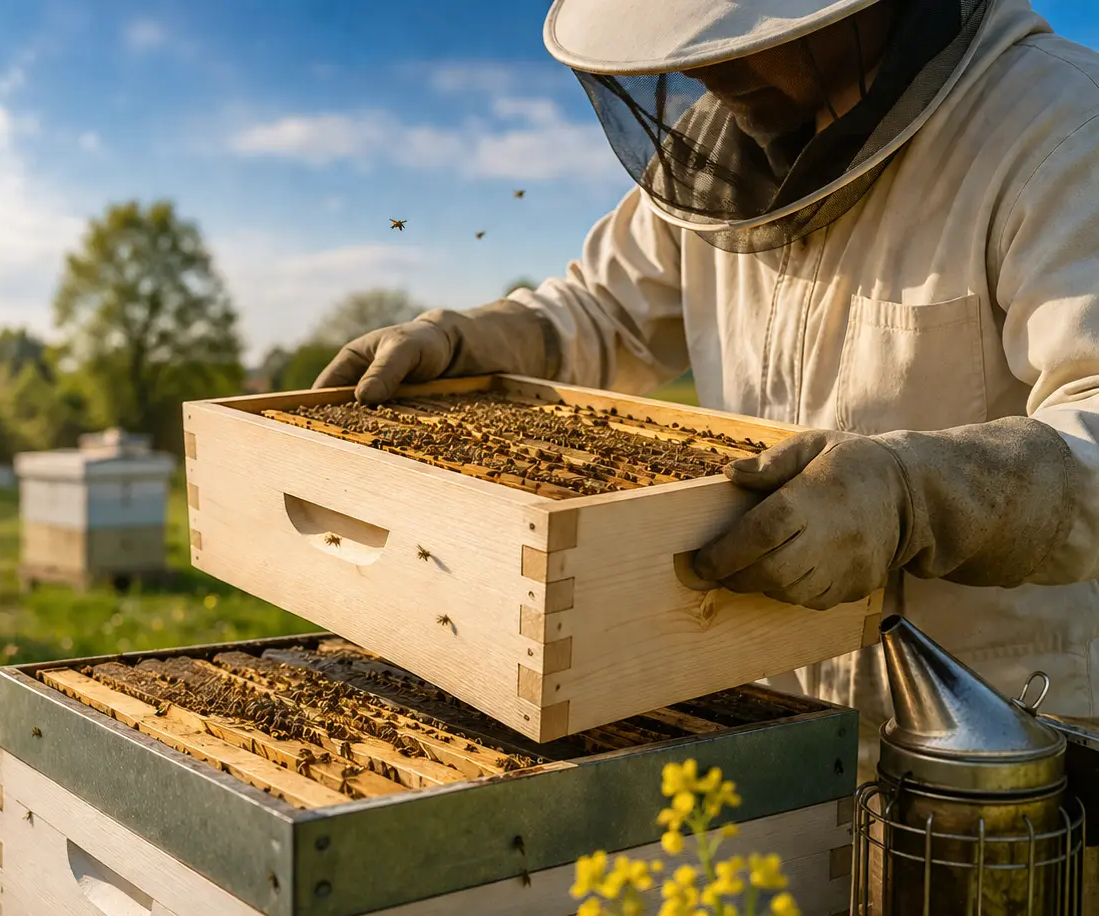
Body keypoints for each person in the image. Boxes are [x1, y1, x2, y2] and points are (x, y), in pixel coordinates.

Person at [314, 0, 1099, 781]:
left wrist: (913, 495)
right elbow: (602, 313)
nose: (699, 66)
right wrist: (471, 340)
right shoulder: (717, 152)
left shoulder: (1059, 126)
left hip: (998, 744)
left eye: (738, 29)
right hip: (763, 712)